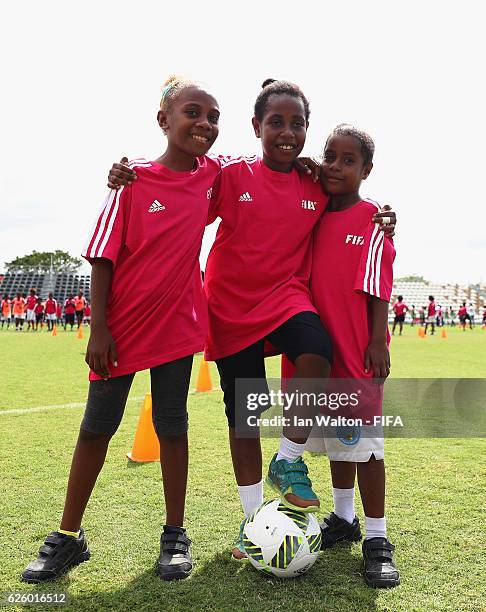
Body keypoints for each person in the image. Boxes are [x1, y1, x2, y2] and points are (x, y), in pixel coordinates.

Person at [106, 78, 396, 558]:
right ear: (256, 126)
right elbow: (180, 176)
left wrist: (383, 218)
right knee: (246, 413)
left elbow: (353, 200)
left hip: (286, 299)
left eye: (297, 124)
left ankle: (287, 460)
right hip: (231, 307)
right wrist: (131, 174)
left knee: (316, 349)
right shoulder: (229, 174)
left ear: (307, 131)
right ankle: (253, 521)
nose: (287, 132)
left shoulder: (313, 182)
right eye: (276, 122)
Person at [22, 75, 226, 584]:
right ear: (164, 121)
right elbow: (103, 258)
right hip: (122, 330)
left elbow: (261, 171)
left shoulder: (212, 177)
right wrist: (99, 329)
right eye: (193, 113)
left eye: (213, 117)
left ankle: (175, 536)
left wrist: (306, 165)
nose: (204, 124)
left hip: (179, 325)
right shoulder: (132, 181)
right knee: (96, 428)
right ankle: (68, 537)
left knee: (173, 426)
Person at [283, 124, 399, 587]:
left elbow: (377, 287)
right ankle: (343, 518)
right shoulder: (312, 211)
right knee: (336, 441)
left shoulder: (373, 219)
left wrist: (376, 340)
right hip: (315, 355)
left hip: (356, 355)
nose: (335, 166)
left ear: (366, 170)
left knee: (366, 448)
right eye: (329, 156)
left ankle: (376, 538)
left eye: (347, 160)